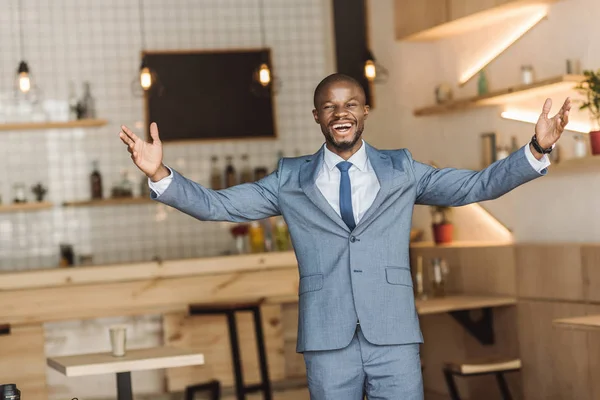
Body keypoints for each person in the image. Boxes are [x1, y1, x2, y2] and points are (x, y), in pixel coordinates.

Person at [119, 73, 570, 399]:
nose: (341, 113)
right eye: (330, 106)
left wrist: (537, 149)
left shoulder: (402, 170)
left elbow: (476, 186)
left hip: (393, 335)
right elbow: (217, 206)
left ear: (365, 110)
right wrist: (159, 172)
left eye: (351, 103)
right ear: (317, 115)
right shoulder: (288, 179)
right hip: (326, 338)